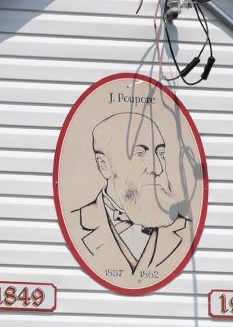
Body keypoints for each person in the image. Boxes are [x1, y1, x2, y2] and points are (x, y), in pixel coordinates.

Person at [69, 109, 191, 283]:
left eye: (160, 153)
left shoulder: (185, 230)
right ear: (104, 166)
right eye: (139, 153)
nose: (156, 168)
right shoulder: (76, 223)